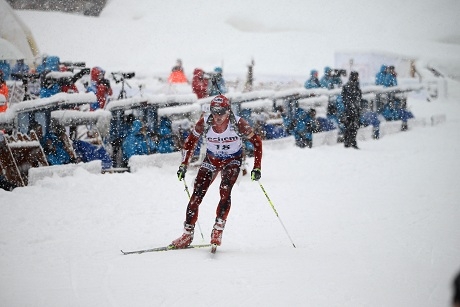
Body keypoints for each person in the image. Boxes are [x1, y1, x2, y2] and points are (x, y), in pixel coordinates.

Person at [171, 94, 263, 248]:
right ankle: (187, 234)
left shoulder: (239, 123)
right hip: (212, 160)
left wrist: (257, 167)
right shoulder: (205, 122)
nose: (217, 116)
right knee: (196, 195)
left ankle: (218, 229)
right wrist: (183, 165)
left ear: (228, 111)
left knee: (225, 190)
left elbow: (257, 142)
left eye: (221, 112)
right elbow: (190, 142)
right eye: (214, 111)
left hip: (232, 160)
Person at [341, 71, 361, 149]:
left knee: (354, 126)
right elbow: (345, 98)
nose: (357, 78)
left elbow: (359, 97)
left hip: (354, 109)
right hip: (349, 110)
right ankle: (348, 142)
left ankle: (351, 141)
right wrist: (351, 106)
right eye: (355, 76)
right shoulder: (348, 86)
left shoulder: (356, 86)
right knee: (349, 126)